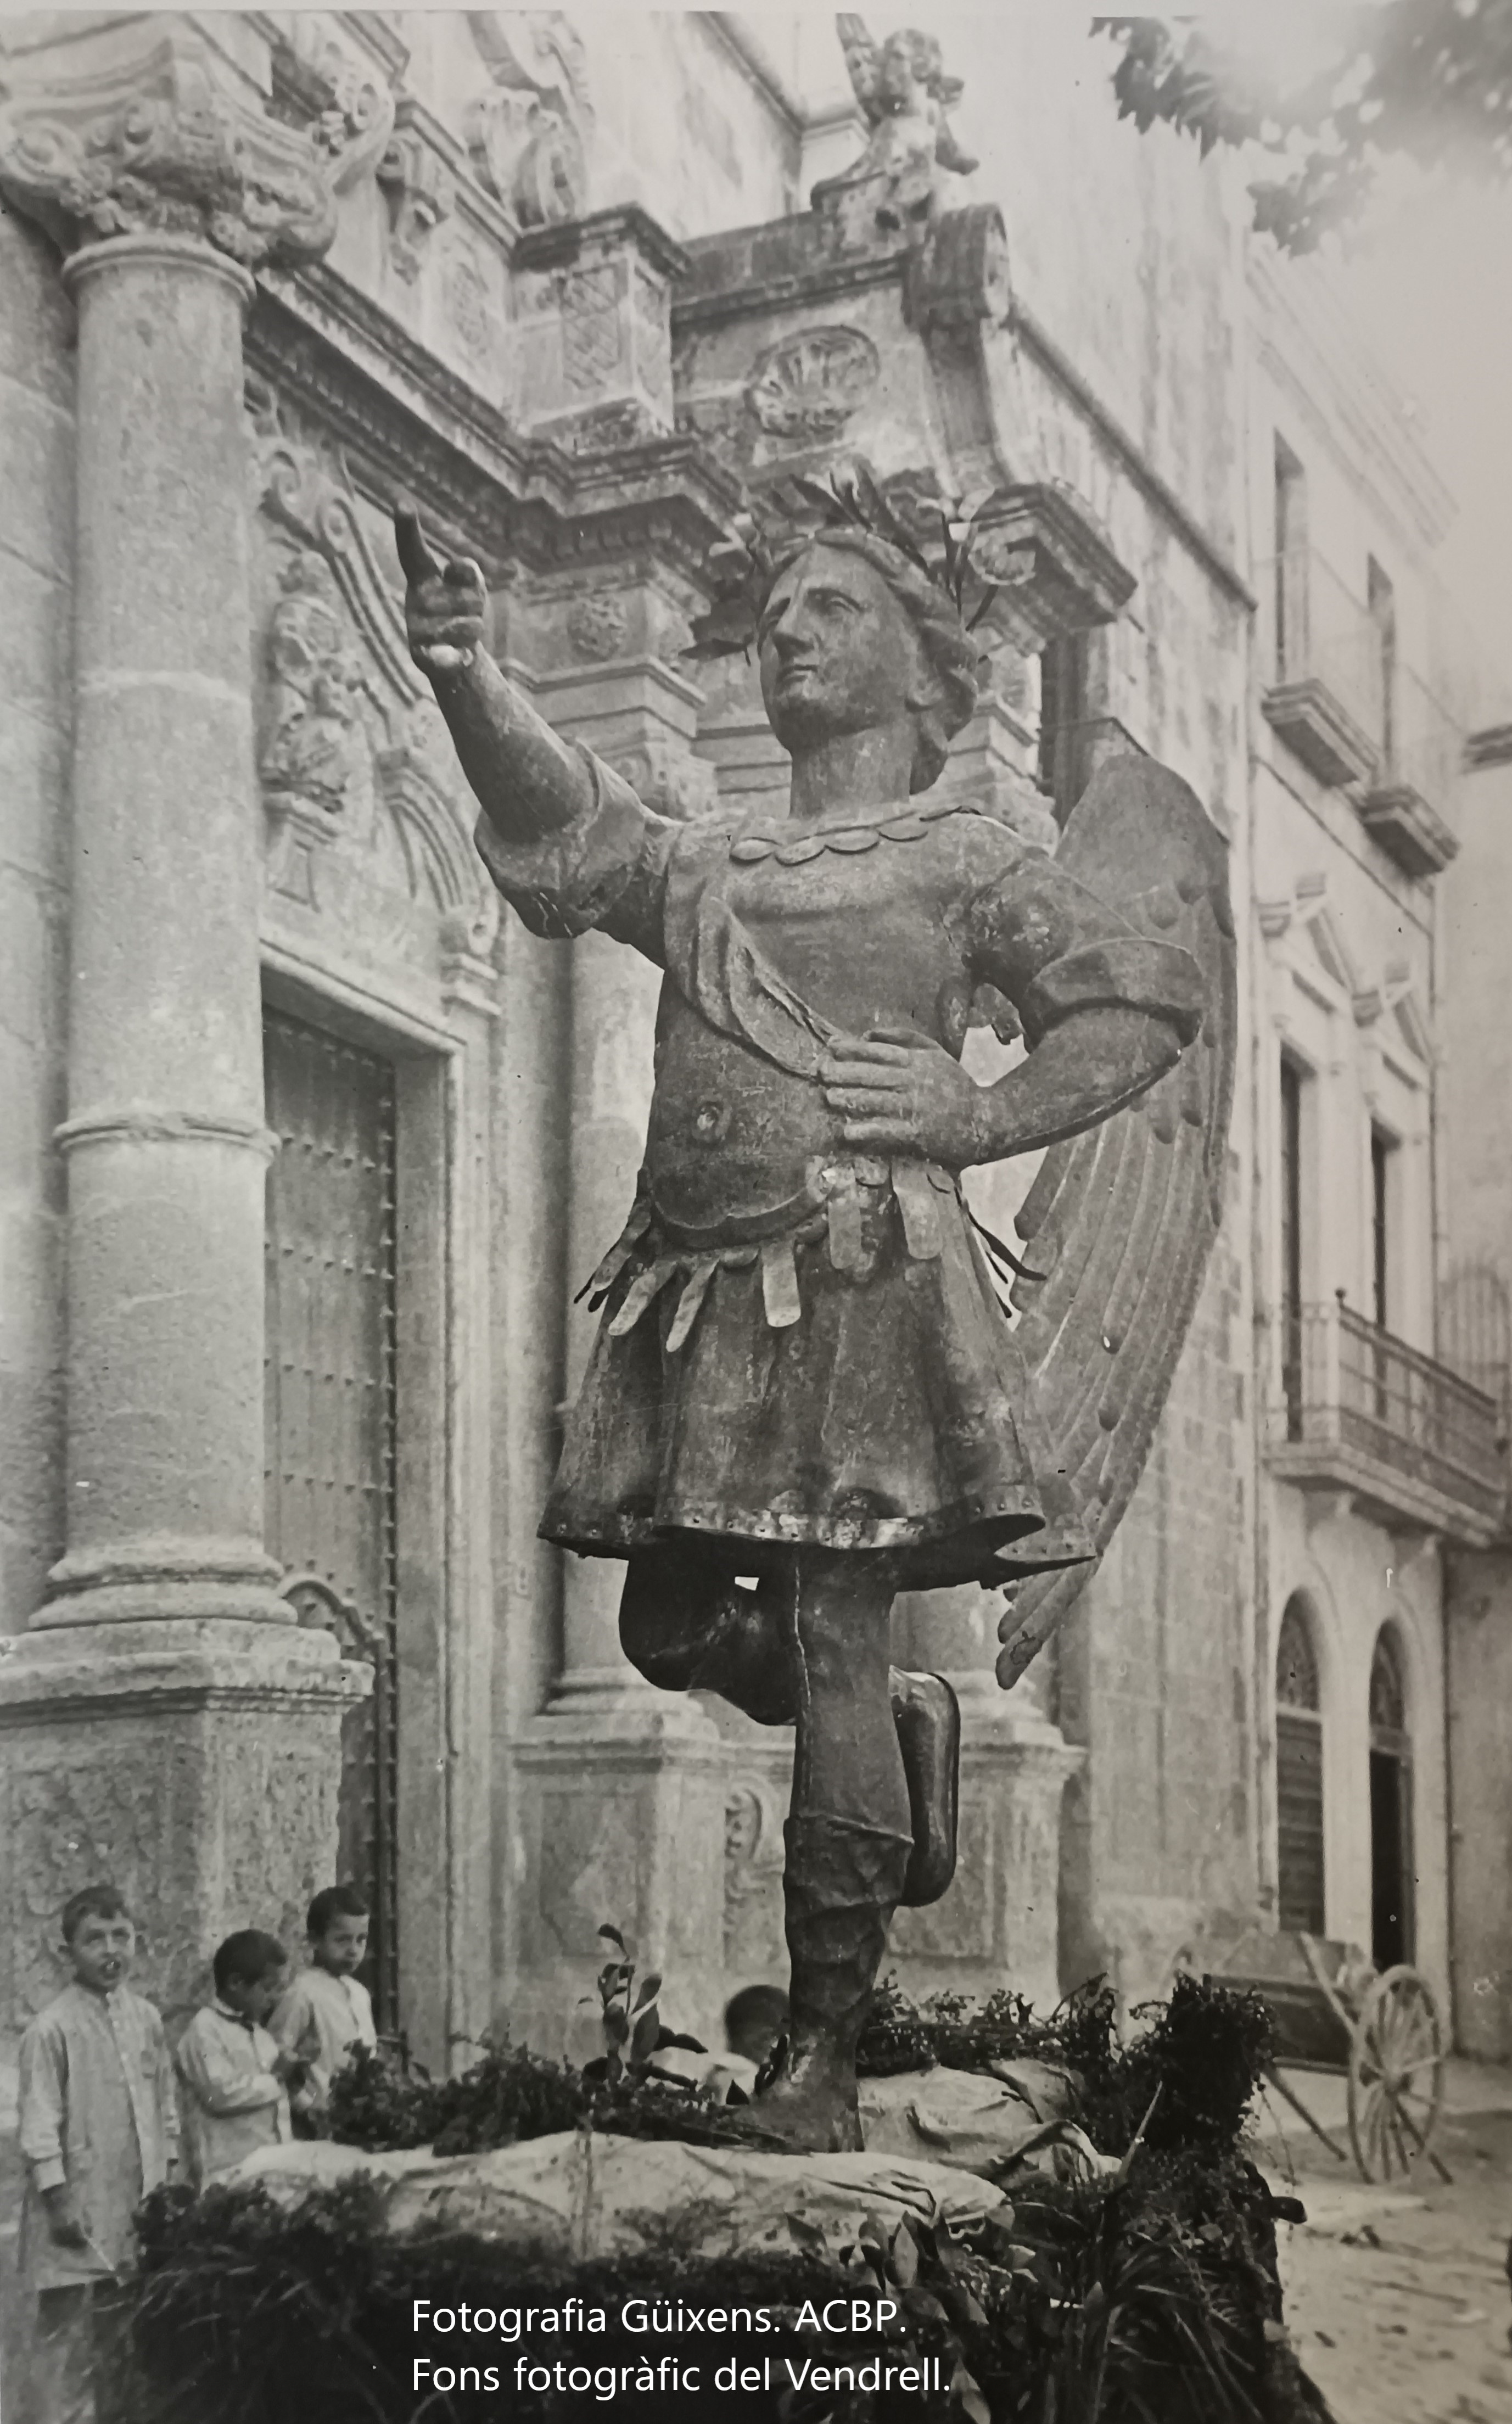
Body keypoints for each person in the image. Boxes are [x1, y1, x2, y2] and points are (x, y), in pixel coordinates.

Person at [396, 492, 1205, 2149]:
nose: (791, 629)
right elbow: (572, 830)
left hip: (856, 1281)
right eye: (778, 611)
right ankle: (903, 1738)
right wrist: (475, 674)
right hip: (701, 1297)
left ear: (926, 665)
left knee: (839, 1631)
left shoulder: (969, 849)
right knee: (666, 1632)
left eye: (834, 605)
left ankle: (819, 2066)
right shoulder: (713, 850)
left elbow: (1136, 1014)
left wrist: (971, 1115)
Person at [16, 1883, 178, 2424]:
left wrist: (167, 2176)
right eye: (94, 1939)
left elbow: (163, 2107)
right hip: (76, 2199)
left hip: (132, 2193)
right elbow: (40, 2122)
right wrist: (58, 2198)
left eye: (121, 1936)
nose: (111, 1950)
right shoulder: (52, 2028)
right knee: (64, 2322)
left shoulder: (148, 2019)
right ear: (68, 1952)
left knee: (122, 2316)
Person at [175, 1932, 308, 2186]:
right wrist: (277, 2077)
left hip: (271, 2166)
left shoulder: (261, 2036)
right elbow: (219, 2094)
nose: (274, 1998)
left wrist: (301, 2092)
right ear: (236, 1983)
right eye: (268, 1989)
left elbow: (277, 2095)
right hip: (228, 2170)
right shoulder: (205, 2030)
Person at [270, 1883, 378, 2127]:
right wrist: (308, 2106)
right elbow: (276, 2063)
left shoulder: (360, 1994)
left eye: (361, 1940)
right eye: (342, 1940)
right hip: (316, 2121)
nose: (353, 1951)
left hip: (360, 2118)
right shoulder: (301, 1994)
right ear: (315, 1940)